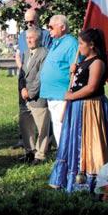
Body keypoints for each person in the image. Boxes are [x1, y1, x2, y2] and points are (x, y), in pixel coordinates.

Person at [49, 28, 108, 192]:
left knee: (89, 143)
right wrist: (73, 72)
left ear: (92, 45)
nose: (79, 47)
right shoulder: (83, 61)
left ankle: (95, 182)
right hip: (78, 107)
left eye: (81, 43)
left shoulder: (97, 62)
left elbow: (91, 87)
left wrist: (71, 97)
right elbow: (78, 83)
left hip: (90, 108)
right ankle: (71, 179)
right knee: (75, 142)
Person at [39, 14, 79, 145]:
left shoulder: (71, 43)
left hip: (62, 94)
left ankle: (68, 157)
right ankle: (63, 155)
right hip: (52, 94)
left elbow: (76, 70)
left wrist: (71, 93)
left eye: (51, 27)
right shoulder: (56, 43)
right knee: (57, 126)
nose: (48, 29)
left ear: (62, 27)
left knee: (64, 127)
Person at [18, 27, 50, 164]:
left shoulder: (45, 53)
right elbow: (21, 74)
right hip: (24, 96)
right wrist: (22, 88)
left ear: (39, 38)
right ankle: (29, 151)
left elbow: (41, 76)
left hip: (37, 96)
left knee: (42, 126)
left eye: (32, 37)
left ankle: (40, 154)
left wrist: (30, 93)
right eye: (27, 38)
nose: (29, 40)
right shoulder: (25, 53)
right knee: (25, 126)